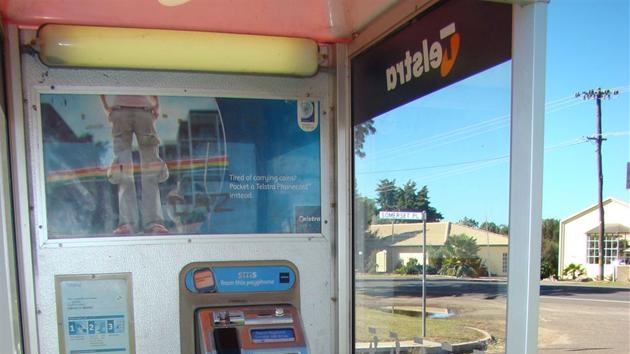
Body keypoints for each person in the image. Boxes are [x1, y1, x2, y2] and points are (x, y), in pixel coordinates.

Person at [101, 95, 169, 235]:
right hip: (141, 109)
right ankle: (151, 222)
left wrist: (105, 105)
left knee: (125, 168)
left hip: (124, 110)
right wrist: (156, 104)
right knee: (146, 167)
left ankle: (129, 223)